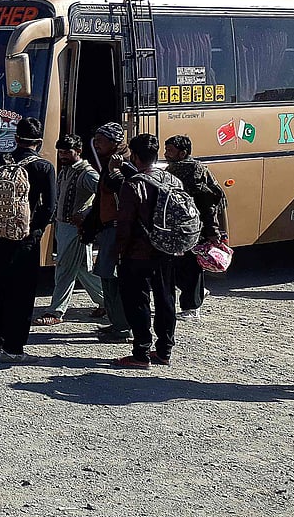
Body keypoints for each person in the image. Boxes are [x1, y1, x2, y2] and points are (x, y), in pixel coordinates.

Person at [0, 117, 56, 363]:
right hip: (23, 239)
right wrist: (34, 231)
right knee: (21, 293)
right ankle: (13, 349)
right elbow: (49, 207)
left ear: (15, 139)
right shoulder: (43, 167)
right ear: (39, 142)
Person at [114, 133, 178, 369]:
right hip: (166, 250)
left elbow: (125, 225)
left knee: (138, 301)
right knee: (166, 299)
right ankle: (164, 351)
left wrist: (118, 253)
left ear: (136, 156)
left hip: (137, 253)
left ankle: (141, 353)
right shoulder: (171, 180)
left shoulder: (133, 185)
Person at [35, 134, 104, 325]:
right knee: (83, 269)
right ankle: (107, 302)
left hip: (77, 229)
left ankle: (56, 312)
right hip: (63, 226)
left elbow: (105, 196)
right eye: (61, 152)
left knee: (64, 269)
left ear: (78, 151)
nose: (63, 156)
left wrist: (86, 213)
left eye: (67, 152)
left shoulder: (87, 173)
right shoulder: (66, 170)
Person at [163, 134, 227, 320]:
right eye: (166, 150)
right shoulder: (172, 169)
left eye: (170, 151)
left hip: (193, 228)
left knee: (190, 267)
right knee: (176, 267)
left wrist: (212, 231)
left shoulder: (194, 171)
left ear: (183, 153)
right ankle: (198, 292)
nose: (166, 154)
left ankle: (192, 307)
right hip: (177, 228)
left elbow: (207, 203)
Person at [90, 122, 134, 342]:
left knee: (115, 279)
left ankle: (122, 327)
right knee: (106, 277)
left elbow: (125, 192)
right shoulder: (109, 162)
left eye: (101, 139)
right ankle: (115, 322)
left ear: (114, 142)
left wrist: (114, 171)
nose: (96, 143)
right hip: (108, 227)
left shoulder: (125, 164)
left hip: (118, 230)